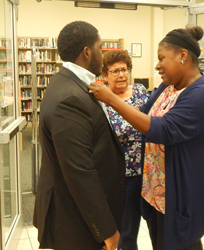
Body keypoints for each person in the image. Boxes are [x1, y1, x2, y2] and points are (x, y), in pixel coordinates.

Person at [89, 26, 204, 250]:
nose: (157, 65)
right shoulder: (168, 86)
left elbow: (163, 128)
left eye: (161, 58)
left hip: (180, 198)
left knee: (182, 244)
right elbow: (143, 112)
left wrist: (112, 99)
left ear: (182, 56)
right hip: (156, 194)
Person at [33, 21, 125, 250]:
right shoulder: (70, 98)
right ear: (87, 51)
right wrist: (106, 230)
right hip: (74, 221)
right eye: (100, 47)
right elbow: (79, 171)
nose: (102, 55)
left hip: (76, 213)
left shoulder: (68, 82)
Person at [101, 49, 150, 250]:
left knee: (147, 225)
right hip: (122, 177)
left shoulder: (139, 91)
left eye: (124, 69)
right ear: (104, 76)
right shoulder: (101, 99)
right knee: (125, 232)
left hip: (148, 172)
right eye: (115, 71)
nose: (121, 75)